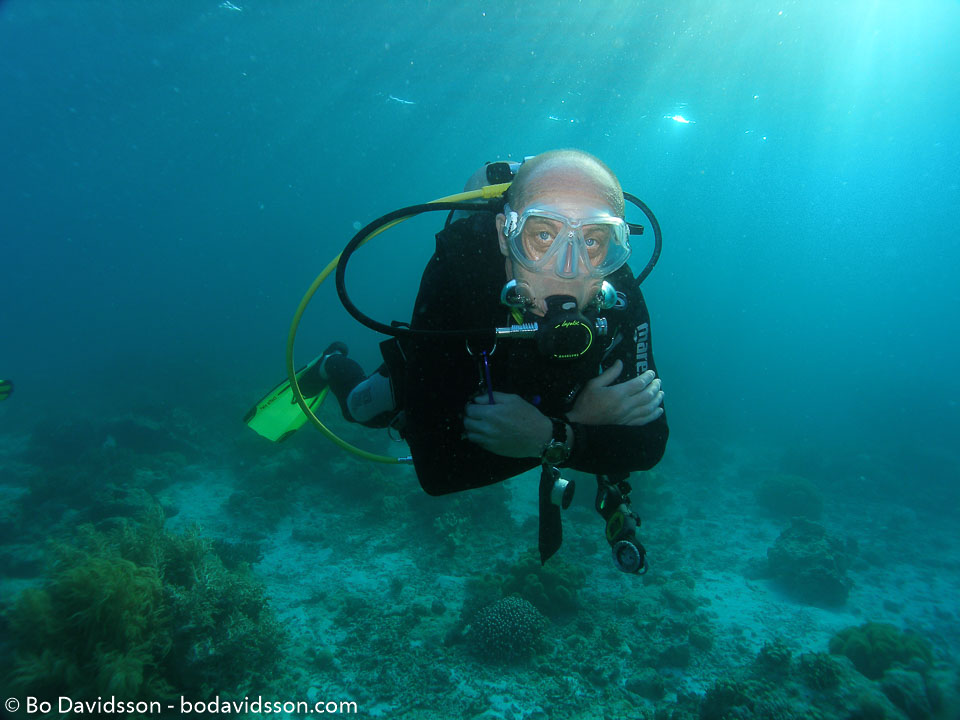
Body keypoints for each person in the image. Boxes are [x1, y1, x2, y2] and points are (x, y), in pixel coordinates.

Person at [250, 150, 668, 570]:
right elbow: (437, 474)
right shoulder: (461, 265)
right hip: (454, 382)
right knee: (361, 407)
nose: (568, 268)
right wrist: (569, 428)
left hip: (538, 409)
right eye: (544, 234)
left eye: (592, 240)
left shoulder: (617, 288)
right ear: (504, 233)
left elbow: (650, 443)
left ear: (615, 245)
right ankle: (330, 364)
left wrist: (551, 435)